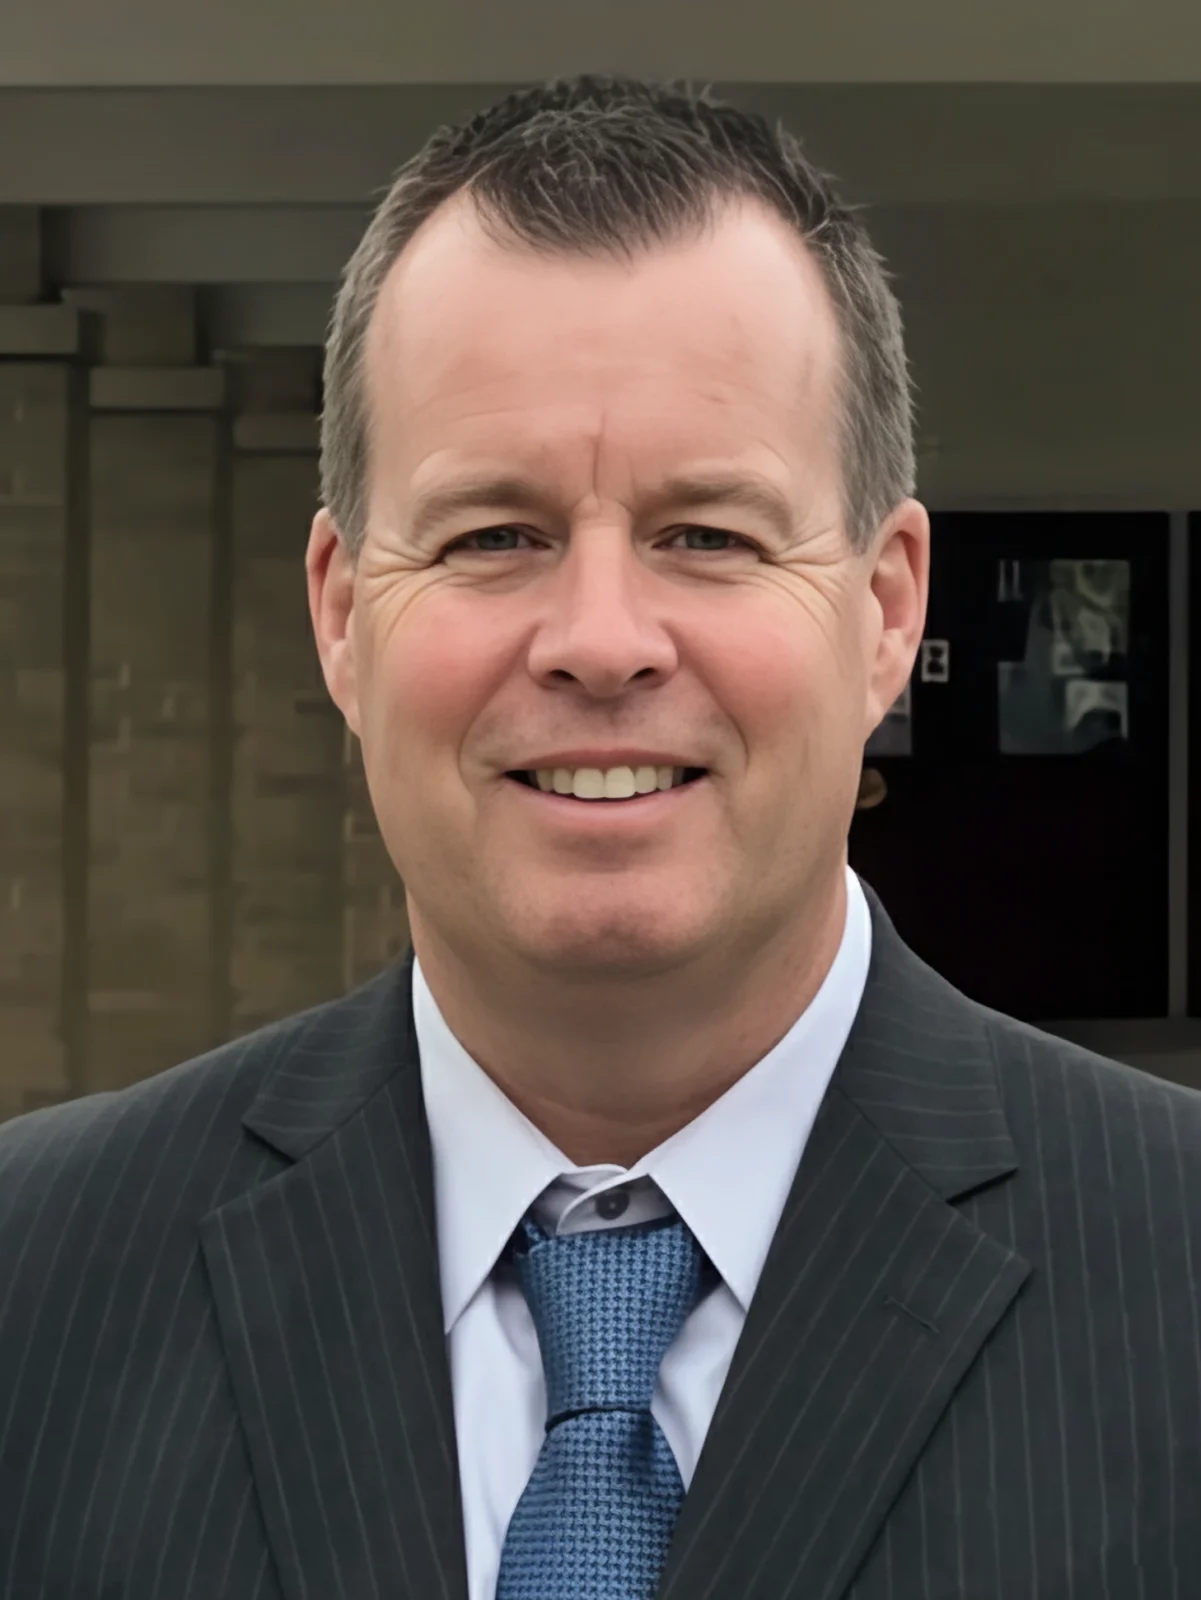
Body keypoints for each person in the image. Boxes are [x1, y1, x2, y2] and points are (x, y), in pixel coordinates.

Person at [1, 75, 1198, 1600]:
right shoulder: (36, 1285)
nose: (601, 640)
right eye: (494, 535)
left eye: (708, 534)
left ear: (888, 609)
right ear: (344, 618)